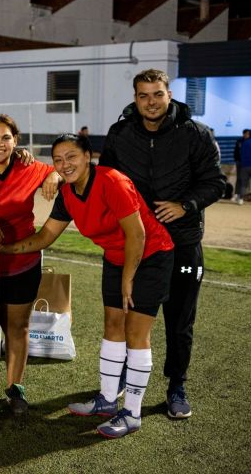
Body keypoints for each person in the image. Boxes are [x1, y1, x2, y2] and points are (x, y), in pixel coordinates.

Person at [0, 133, 174, 438]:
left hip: (150, 255)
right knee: (112, 325)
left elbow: (137, 235)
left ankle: (132, 414)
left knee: (135, 332)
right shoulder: (68, 194)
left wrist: (129, 279)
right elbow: (45, 237)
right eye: (58, 159)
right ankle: (108, 400)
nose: (65, 164)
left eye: (72, 157)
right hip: (117, 257)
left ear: (88, 156)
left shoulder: (112, 181)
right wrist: (5, 249)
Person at [99, 69, 226, 419]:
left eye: (157, 94)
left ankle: (176, 386)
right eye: (143, 95)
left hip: (183, 245)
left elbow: (216, 183)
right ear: (135, 99)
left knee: (180, 320)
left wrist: (185, 204)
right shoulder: (120, 133)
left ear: (169, 94)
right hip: (139, 246)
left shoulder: (196, 133)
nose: (151, 102)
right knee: (130, 316)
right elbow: (105, 180)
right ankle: (124, 375)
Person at [0, 113, 58, 416]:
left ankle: (14, 388)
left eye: (6, 138)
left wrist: (54, 176)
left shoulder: (28, 167)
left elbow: (58, 170)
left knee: (18, 327)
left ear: (16, 141)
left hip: (22, 262)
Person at [232, 129, 250, 202]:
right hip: (239, 162)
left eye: (249, 134)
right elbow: (236, 151)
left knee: (245, 179)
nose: (248, 135)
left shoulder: (249, 142)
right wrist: (236, 160)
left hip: (246, 163)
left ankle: (242, 196)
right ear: (244, 134)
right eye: (247, 134)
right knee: (239, 178)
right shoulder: (239, 141)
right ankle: (236, 194)